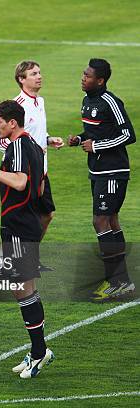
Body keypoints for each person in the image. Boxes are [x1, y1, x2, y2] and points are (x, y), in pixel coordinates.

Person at [0, 100, 54, 379]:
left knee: (21, 288)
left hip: (18, 227)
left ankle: (39, 353)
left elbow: (20, 182)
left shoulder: (16, 146)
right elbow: (33, 188)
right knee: (21, 286)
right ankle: (38, 349)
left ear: (12, 123)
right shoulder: (34, 147)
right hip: (25, 224)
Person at [68, 58, 136, 301]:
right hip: (97, 171)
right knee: (112, 221)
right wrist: (79, 138)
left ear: (100, 80)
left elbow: (128, 134)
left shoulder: (111, 101)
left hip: (113, 171)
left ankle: (116, 280)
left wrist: (96, 146)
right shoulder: (87, 101)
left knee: (100, 221)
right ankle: (122, 280)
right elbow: (96, 131)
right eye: (83, 74)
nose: (82, 78)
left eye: (87, 76)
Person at [0, 61, 64, 271]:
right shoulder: (17, 106)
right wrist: (26, 154)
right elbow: (0, 141)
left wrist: (48, 139)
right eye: (33, 74)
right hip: (24, 172)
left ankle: (28, 256)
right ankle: (3, 262)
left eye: (39, 72)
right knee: (19, 218)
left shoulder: (39, 101)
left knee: (46, 214)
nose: (39, 76)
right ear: (21, 80)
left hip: (40, 171)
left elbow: (33, 133)